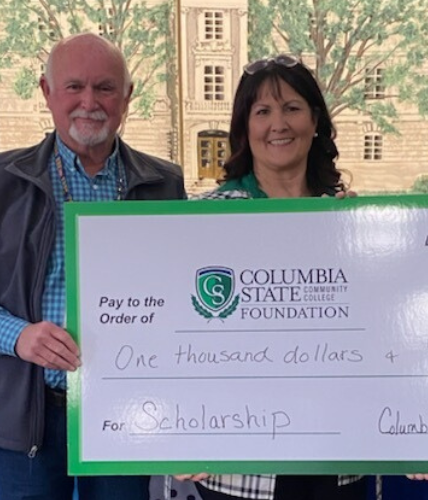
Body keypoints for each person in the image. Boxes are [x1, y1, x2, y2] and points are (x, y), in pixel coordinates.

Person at [0, 33, 186, 500]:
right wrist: (17, 335)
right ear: (47, 92)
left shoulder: (164, 185)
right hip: (29, 410)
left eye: (105, 88)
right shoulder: (0, 181)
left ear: (127, 97)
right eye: (74, 87)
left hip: (125, 410)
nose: (89, 102)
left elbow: (180, 299)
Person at [169, 55, 366, 500]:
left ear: (315, 120)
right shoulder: (203, 221)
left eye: (292, 108)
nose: (279, 124)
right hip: (240, 465)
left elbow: (386, 333)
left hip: (338, 456)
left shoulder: (355, 221)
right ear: (245, 128)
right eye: (263, 112)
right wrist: (172, 432)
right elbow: (172, 337)